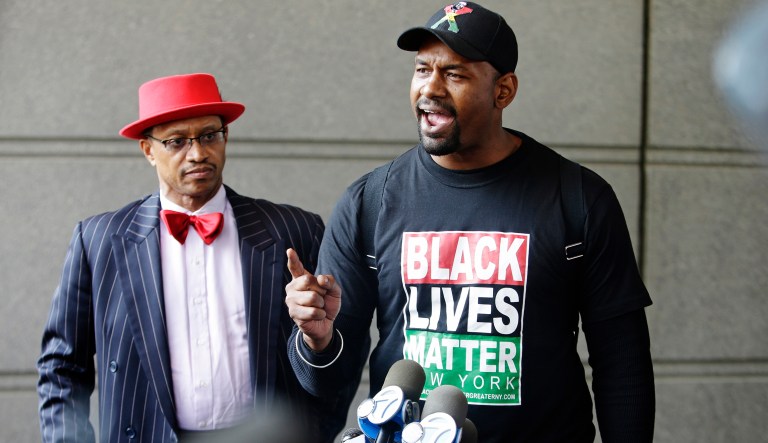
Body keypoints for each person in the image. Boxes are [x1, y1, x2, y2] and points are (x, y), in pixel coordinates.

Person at [284, 2, 655, 442]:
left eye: (454, 74)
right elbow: (326, 381)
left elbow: (622, 360)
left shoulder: (577, 198)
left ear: (504, 91)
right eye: (423, 70)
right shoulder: (370, 201)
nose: (430, 88)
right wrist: (316, 339)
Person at [37, 73, 324, 442]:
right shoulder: (99, 241)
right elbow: (62, 366)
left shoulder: (294, 229)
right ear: (148, 151)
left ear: (226, 137)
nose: (198, 153)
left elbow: (335, 349)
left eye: (209, 135)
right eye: (176, 141)